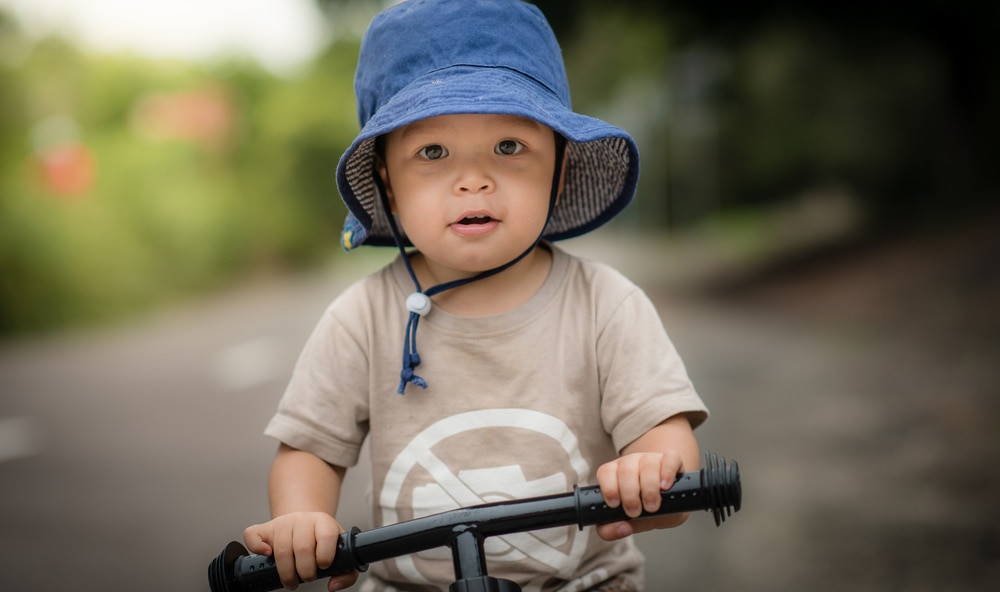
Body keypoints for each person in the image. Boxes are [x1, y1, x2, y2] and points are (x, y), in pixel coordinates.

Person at [242, 1, 709, 590]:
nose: (473, 179)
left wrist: (653, 472)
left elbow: (670, 452)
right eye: (432, 152)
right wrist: (301, 519)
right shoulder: (361, 318)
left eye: (509, 147)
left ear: (560, 168)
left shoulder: (605, 305)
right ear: (386, 178)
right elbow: (309, 450)